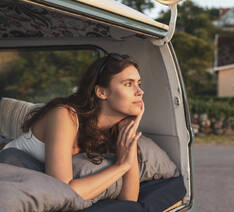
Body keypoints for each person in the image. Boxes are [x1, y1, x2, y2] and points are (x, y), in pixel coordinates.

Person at [3, 53, 144, 202]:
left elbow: (130, 199)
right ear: (101, 92)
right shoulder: (65, 115)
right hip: (9, 167)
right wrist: (122, 166)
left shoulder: (116, 131)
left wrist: (131, 134)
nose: (140, 91)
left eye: (139, 83)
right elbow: (63, 191)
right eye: (128, 84)